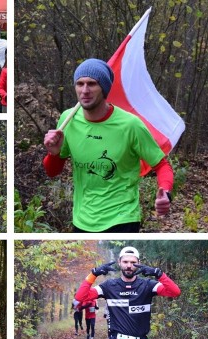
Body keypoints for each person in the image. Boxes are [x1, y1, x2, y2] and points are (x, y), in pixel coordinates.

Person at [42, 59, 173, 232]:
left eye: (92, 84)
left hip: (122, 217)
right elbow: (52, 172)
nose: (85, 90)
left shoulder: (130, 125)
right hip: (82, 219)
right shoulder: (68, 120)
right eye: (80, 84)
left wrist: (165, 192)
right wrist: (54, 153)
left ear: (104, 88)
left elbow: (162, 165)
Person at [75, 246, 181, 339]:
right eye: (125, 262)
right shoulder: (108, 286)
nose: (129, 266)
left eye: (133, 262)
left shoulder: (148, 285)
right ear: (119, 262)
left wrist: (159, 274)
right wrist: (93, 274)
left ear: (138, 262)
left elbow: (175, 292)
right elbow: (80, 297)